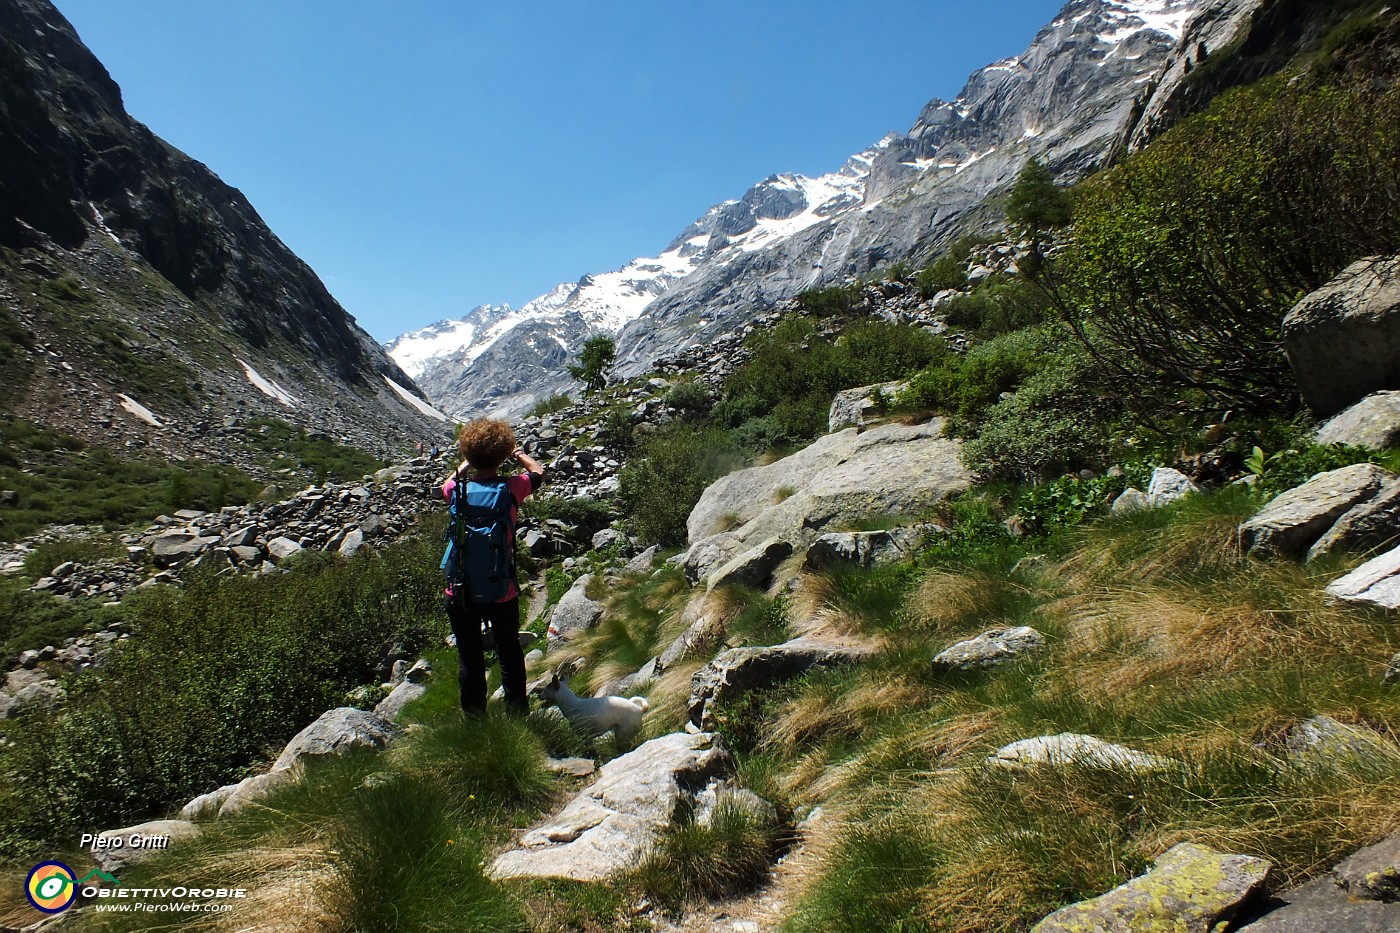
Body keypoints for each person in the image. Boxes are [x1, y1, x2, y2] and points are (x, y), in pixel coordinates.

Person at [441, 418, 544, 716]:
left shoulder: (456, 492)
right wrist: (518, 454)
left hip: (459, 591)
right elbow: (538, 472)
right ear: (500, 454)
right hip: (501, 589)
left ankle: (474, 720)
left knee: (469, 658)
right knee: (509, 652)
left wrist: (465, 463)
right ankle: (517, 715)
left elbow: (444, 484)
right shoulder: (512, 488)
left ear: (471, 455)